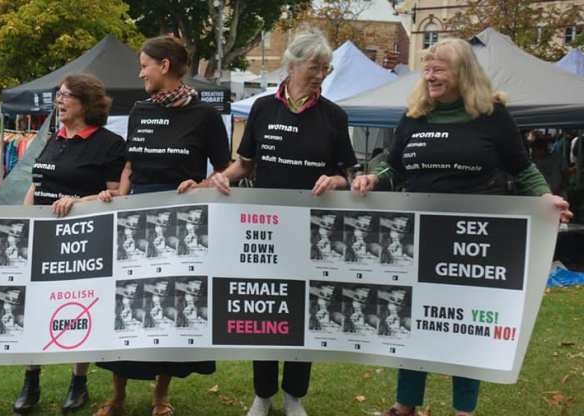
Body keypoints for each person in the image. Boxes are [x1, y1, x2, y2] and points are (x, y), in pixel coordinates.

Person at [351, 38, 572, 416]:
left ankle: (464, 411)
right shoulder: (416, 113)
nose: (430, 75)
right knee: (413, 318)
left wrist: (545, 198)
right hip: (415, 238)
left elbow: (522, 168)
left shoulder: (491, 114)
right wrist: (373, 179)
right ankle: (405, 407)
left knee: (465, 325)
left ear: (462, 73)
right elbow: (395, 166)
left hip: (471, 241)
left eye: (439, 68)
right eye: (428, 68)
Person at [207, 31, 356, 416]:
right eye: (314, 67)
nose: (321, 75)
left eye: (326, 68)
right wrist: (223, 176)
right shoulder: (261, 109)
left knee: (301, 311)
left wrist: (336, 180)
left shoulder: (334, 116)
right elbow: (246, 164)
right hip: (264, 227)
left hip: (310, 230)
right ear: (291, 66)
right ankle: (262, 393)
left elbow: (346, 174)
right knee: (263, 309)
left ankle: (294, 394)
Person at [93, 35, 230, 416]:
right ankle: (116, 395)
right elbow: (130, 164)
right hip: (135, 217)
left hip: (182, 222)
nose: (140, 73)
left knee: (171, 304)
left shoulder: (205, 116)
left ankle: (161, 395)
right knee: (127, 303)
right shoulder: (139, 109)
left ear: (165, 66)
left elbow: (224, 172)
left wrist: (200, 186)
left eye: (145, 65)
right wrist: (117, 196)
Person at [13, 73, 126, 414]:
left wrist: (78, 201)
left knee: (76, 308)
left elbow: (117, 194)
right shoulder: (54, 137)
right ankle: (31, 379)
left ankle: (79, 382)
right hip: (43, 235)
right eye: (57, 95)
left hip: (83, 240)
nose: (58, 100)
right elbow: (38, 183)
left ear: (85, 103)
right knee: (37, 307)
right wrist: (25, 217)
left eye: (65, 95)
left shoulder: (109, 144)